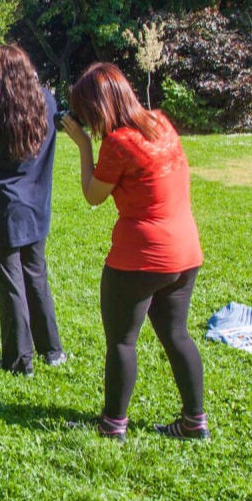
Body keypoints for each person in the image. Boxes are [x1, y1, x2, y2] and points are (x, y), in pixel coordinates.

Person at [62, 63, 207, 440]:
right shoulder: (160, 122)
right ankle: (195, 420)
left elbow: (93, 195)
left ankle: (113, 425)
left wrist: (84, 147)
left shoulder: (118, 143)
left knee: (122, 341)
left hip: (141, 256)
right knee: (177, 335)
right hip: (185, 251)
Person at [0, 43, 64, 374]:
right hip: (36, 206)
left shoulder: (0, 113)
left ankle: (20, 360)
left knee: (10, 284)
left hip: (5, 209)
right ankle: (52, 349)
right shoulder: (48, 101)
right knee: (35, 276)